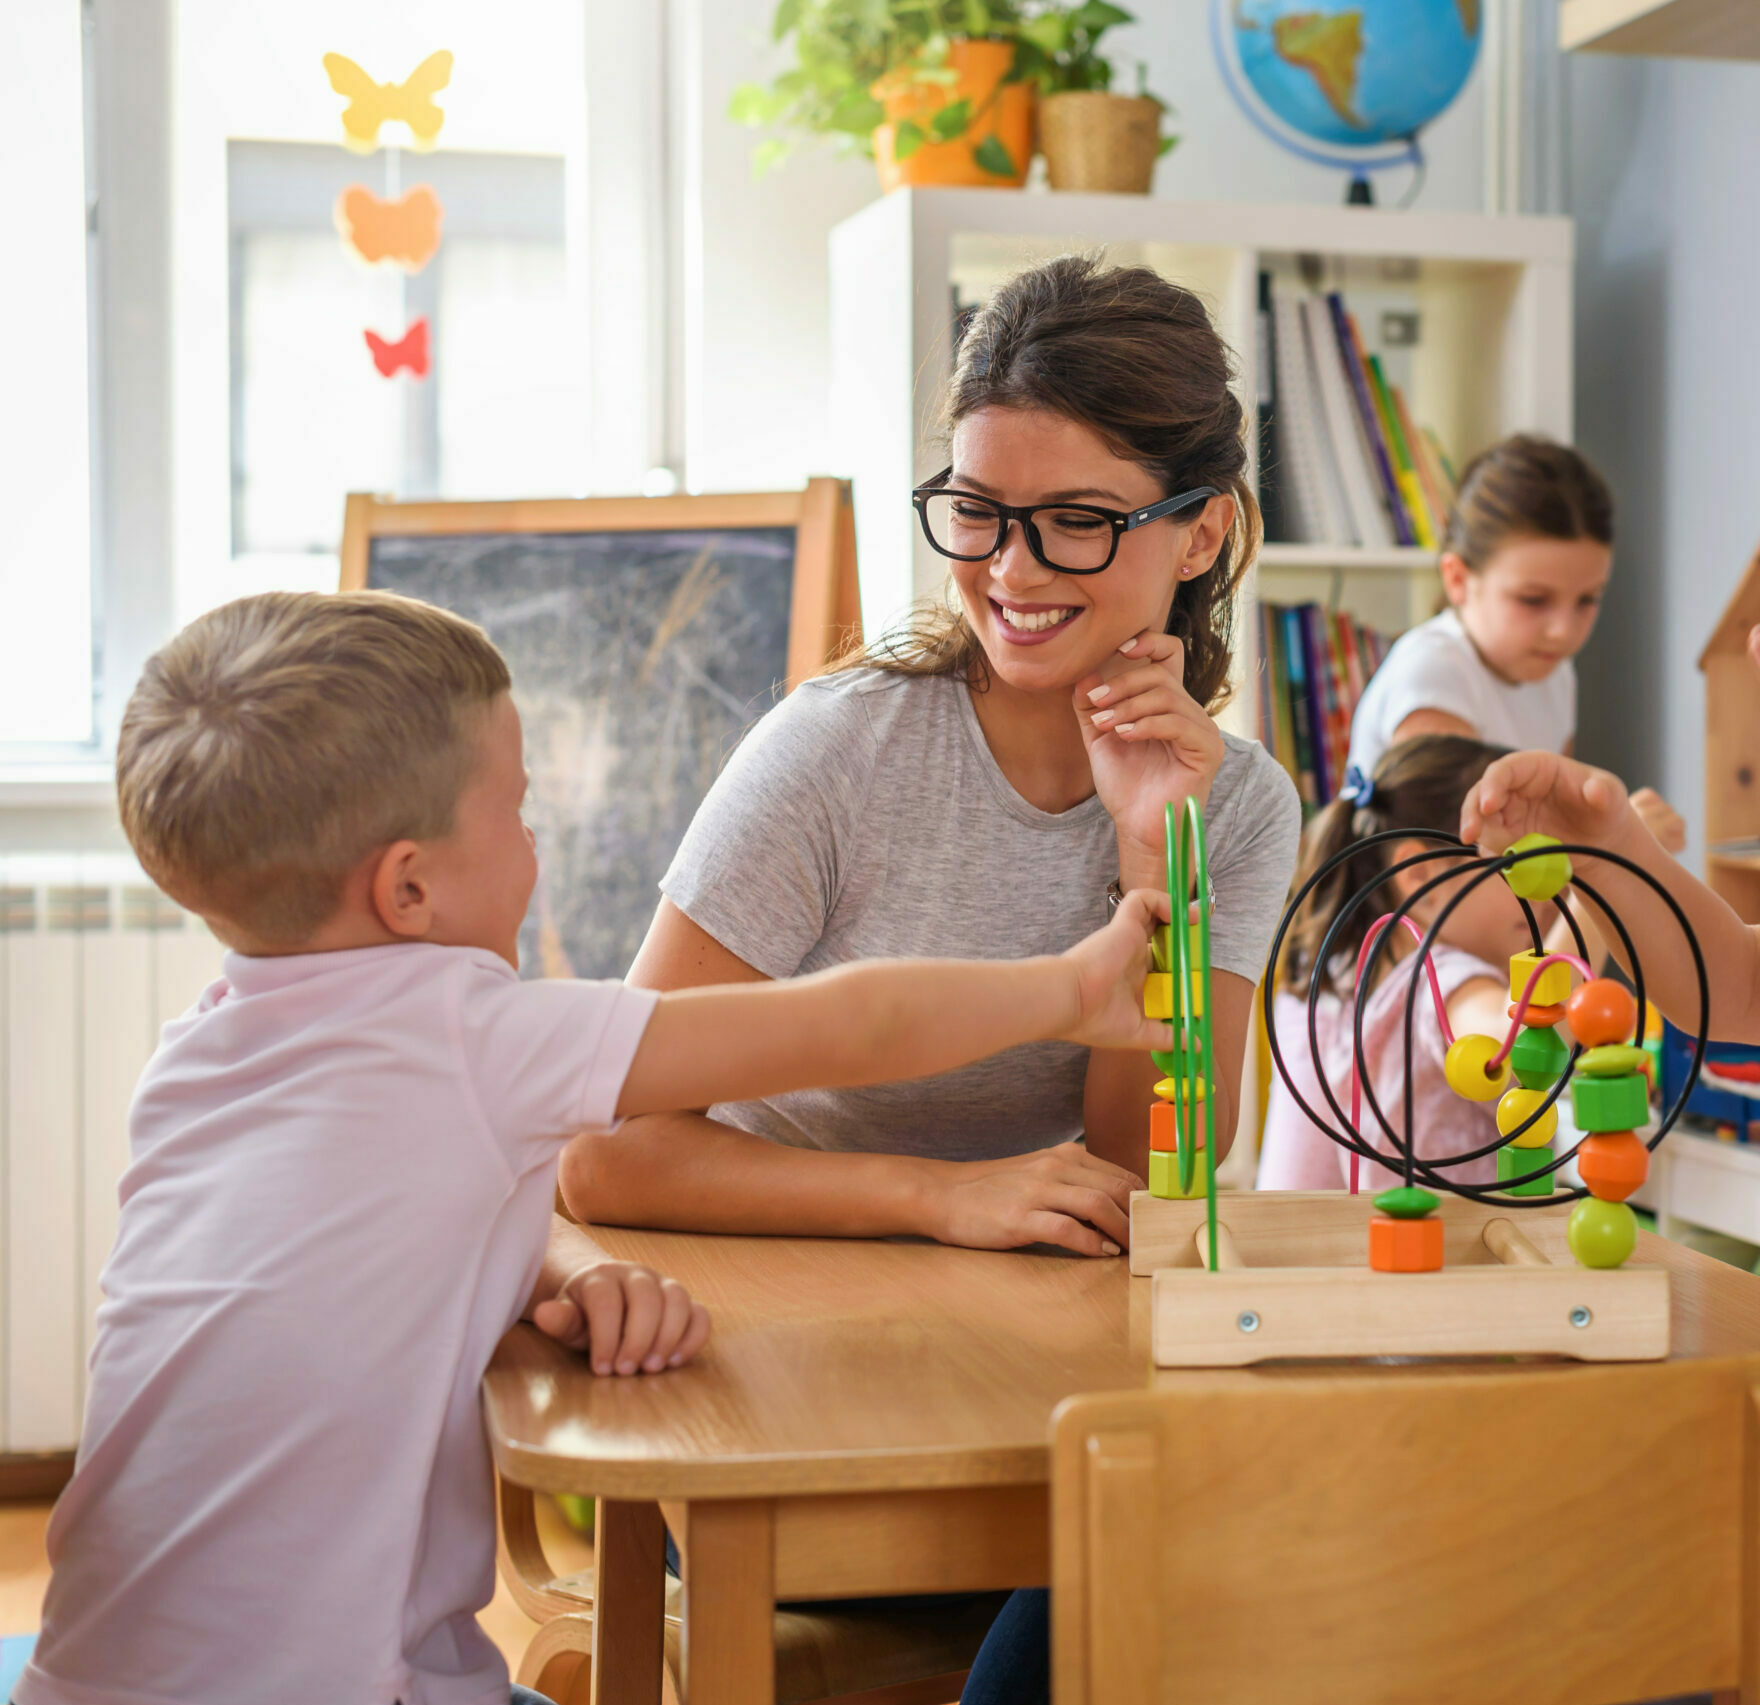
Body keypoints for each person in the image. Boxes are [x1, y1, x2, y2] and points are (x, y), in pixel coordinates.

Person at [17, 591, 1175, 1705]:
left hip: (89, 1668)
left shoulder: (197, 1058)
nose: (535, 841)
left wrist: (561, 1264)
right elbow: (846, 1024)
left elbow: (332, 1245)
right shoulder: (477, 1040)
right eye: (517, 813)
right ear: (408, 886)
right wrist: (1069, 987)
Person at [558, 255, 1302, 1705]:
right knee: (1145, 1565)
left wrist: (1155, 867)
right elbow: (608, 1148)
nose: (1010, 572)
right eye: (977, 512)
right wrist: (940, 1195)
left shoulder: (1239, 802)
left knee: (1261, 1538)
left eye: (1077, 523)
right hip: (777, 1395)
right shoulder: (838, 749)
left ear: (1202, 528)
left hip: (1038, 1392)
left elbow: (1145, 1170)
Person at [1345, 433, 1685, 854]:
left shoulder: (1554, 673)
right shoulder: (1434, 674)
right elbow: (1472, 867)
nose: (1563, 630)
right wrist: (1618, 842)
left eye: (1588, 599)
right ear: (1458, 580)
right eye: (1533, 599)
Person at [1258, 734, 1552, 1193]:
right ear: (1420, 876)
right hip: (1423, 1255)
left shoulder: (1324, 972)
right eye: (1517, 864)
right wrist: (1604, 892)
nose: (1547, 893)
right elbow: (1520, 1048)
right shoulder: (1440, 977)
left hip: (1291, 1252)